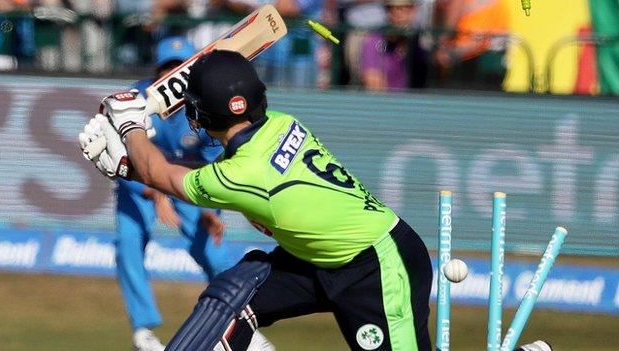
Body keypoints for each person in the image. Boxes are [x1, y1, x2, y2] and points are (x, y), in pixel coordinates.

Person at [80, 50, 433, 350]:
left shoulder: (241, 175)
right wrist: (131, 166)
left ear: (202, 114)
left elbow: (162, 175)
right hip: (317, 259)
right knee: (228, 300)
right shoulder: (279, 124)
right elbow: (200, 170)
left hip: (378, 269)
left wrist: (130, 128)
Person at [110, 37, 272, 351]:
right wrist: (154, 192)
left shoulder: (202, 101)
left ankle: (243, 322)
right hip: (140, 181)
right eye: (167, 70)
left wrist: (211, 210)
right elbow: (119, 153)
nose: (173, 76)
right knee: (129, 241)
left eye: (179, 69)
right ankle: (143, 332)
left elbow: (214, 160)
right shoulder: (139, 99)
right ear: (157, 72)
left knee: (211, 248)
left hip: (185, 179)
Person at [360, 0, 428, 91]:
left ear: (414, 10)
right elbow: (373, 84)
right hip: (389, 102)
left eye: (404, 8)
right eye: (391, 8)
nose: (398, 13)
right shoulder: (375, 41)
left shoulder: (422, 41)